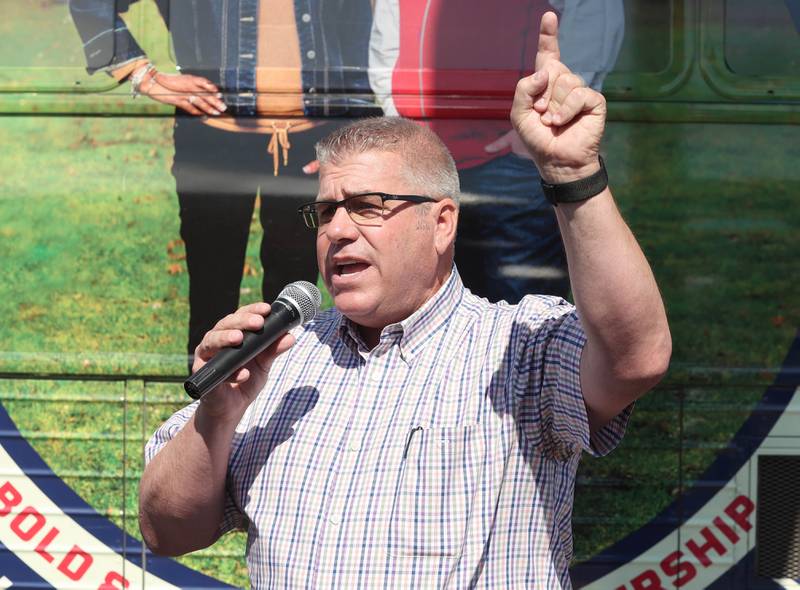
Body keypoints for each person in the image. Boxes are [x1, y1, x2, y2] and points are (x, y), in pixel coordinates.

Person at [139, 12, 671, 588]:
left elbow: (635, 357)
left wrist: (574, 173)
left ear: (442, 224)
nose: (337, 231)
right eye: (324, 212)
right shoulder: (277, 359)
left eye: (368, 206)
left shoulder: (517, 346)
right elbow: (166, 531)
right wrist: (215, 419)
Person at [69, 0, 375, 367]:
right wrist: (143, 74)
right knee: (212, 298)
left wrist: (356, 135)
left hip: (316, 141)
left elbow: (366, 35)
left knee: (296, 301)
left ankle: (283, 411)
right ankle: (209, 413)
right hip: (214, 139)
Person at [368, 0, 625, 301]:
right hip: (419, 158)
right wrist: (398, 117)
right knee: (419, 308)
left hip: (508, 159)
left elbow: (594, 14)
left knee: (516, 316)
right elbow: (389, 33)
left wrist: (544, 120)